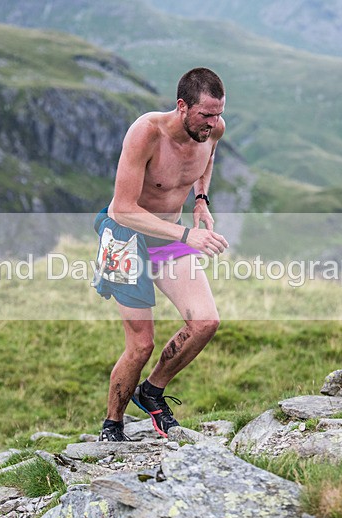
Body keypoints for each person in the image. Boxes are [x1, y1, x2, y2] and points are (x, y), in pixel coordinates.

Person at [92, 67, 229, 441]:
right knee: (141, 345)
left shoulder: (213, 129)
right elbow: (123, 209)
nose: (213, 123)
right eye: (205, 114)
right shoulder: (146, 133)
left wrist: (200, 199)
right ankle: (112, 425)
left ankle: (151, 391)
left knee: (205, 322)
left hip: (168, 237)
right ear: (182, 106)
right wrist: (187, 235)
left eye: (218, 114)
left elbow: (208, 158)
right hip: (125, 238)